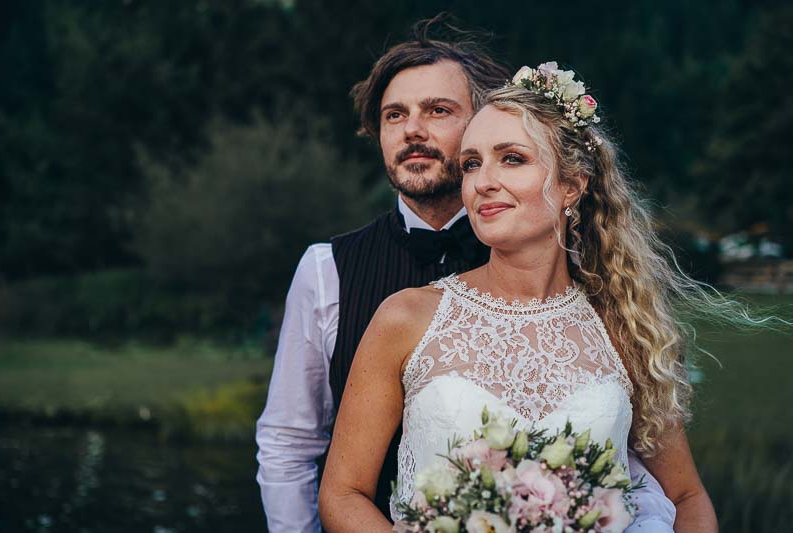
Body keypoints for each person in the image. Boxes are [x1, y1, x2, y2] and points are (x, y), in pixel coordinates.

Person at [257, 18, 674, 532]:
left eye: (438, 110)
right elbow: (290, 446)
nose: (413, 128)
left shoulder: (589, 288)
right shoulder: (328, 269)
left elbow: (637, 470)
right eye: (394, 114)